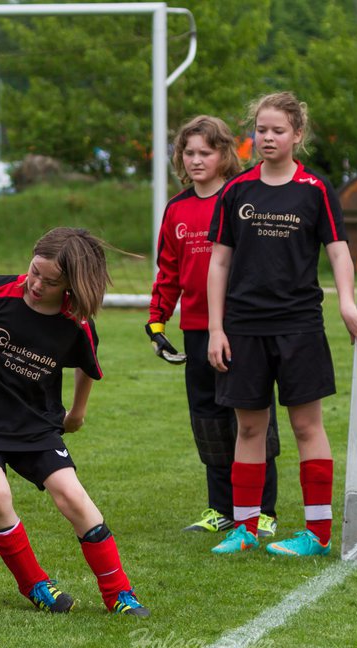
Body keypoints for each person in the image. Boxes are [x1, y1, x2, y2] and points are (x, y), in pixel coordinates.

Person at [0, 228, 150, 616]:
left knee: (74, 497)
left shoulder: (74, 321)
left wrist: (77, 413)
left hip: (35, 424)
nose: (37, 284)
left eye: (50, 281)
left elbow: (88, 367)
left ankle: (119, 593)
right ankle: (35, 585)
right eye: (35, 272)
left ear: (71, 284)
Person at [206, 92, 357, 556]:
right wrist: (216, 328)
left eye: (277, 130)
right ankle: (245, 530)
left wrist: (346, 303)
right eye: (261, 129)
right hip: (243, 326)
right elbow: (219, 263)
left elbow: (338, 250)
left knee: (307, 426)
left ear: (297, 136)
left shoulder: (315, 190)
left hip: (299, 324)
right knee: (249, 428)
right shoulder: (236, 190)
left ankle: (317, 534)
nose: (267, 137)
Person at [147, 115, 280, 539]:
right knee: (208, 420)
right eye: (189, 152)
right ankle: (220, 508)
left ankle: (263, 510)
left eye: (206, 152)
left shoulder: (244, 199)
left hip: (243, 328)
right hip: (197, 330)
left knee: (250, 419)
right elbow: (168, 271)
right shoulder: (177, 209)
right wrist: (157, 320)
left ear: (225, 155)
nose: (197, 160)